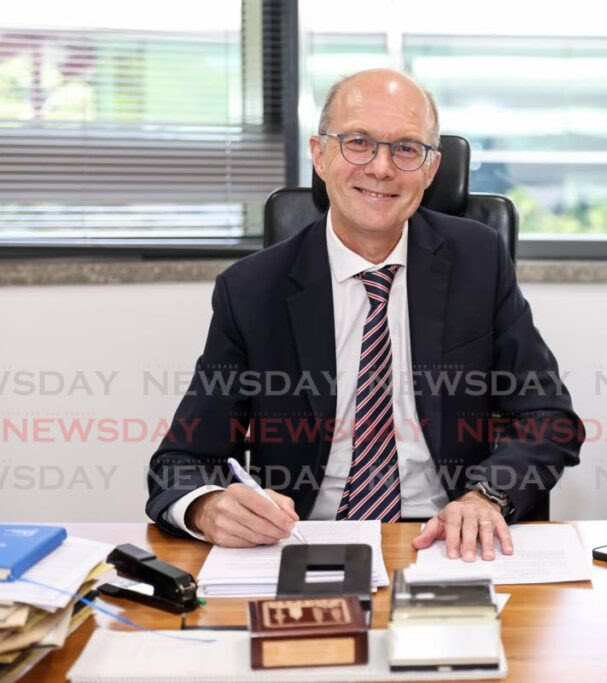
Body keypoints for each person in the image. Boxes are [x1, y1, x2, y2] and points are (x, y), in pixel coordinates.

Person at [145, 68, 583, 562]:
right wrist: (207, 506)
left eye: (406, 148)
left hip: (446, 540)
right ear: (320, 154)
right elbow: (180, 460)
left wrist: (487, 496)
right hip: (304, 540)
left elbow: (550, 419)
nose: (381, 167)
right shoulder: (251, 290)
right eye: (358, 142)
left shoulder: (478, 261)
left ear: (431, 168)